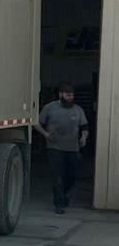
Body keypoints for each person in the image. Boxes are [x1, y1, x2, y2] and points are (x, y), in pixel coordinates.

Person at [36, 84, 88, 214]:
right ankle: (59, 203)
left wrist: (84, 138)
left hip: (73, 148)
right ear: (61, 95)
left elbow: (85, 127)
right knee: (57, 175)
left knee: (73, 175)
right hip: (55, 147)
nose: (70, 98)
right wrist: (46, 134)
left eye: (72, 96)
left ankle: (62, 194)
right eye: (68, 95)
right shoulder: (50, 108)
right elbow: (36, 123)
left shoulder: (78, 110)